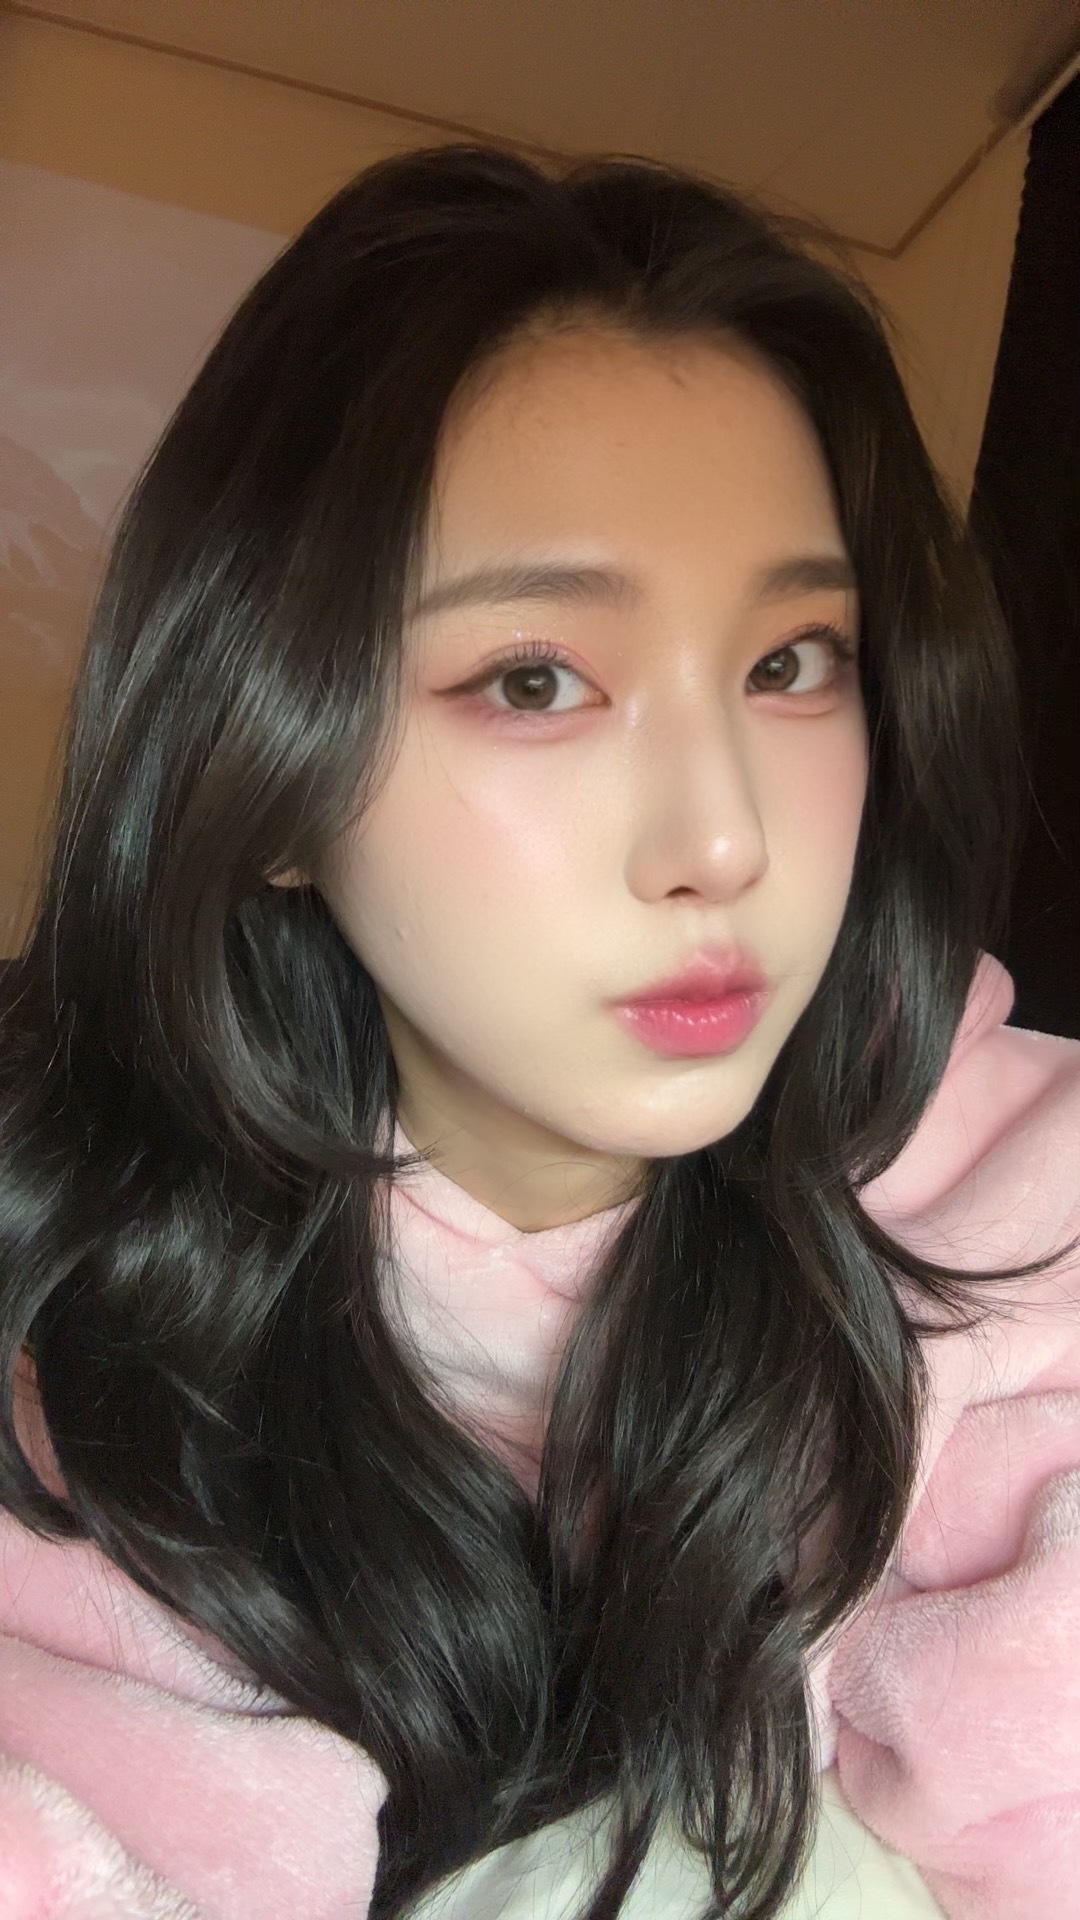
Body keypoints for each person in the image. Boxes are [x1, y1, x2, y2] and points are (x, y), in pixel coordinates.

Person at [0, 141, 1077, 1920]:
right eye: (535, 679)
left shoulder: (1013, 1212)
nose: (721, 841)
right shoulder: (71, 1332)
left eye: (791, 662)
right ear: (265, 764)